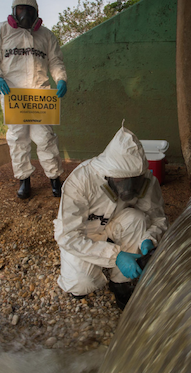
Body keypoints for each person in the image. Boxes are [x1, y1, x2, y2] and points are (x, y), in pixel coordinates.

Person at [54, 125, 169, 308]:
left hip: (117, 224)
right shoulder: (81, 181)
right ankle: (107, 263)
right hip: (85, 234)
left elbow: (158, 218)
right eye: (122, 182)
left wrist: (150, 238)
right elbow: (68, 236)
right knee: (82, 284)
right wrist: (115, 256)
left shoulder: (145, 179)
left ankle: (120, 282)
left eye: (134, 181)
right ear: (110, 174)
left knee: (137, 219)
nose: (128, 188)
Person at [0, 0, 67, 199]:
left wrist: (61, 79)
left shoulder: (46, 36)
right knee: (18, 138)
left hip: (40, 94)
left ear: (36, 12)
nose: (25, 14)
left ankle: (55, 179)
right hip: (13, 94)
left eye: (29, 10)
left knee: (45, 137)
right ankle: (24, 180)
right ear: (13, 10)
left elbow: (56, 60)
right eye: (21, 9)